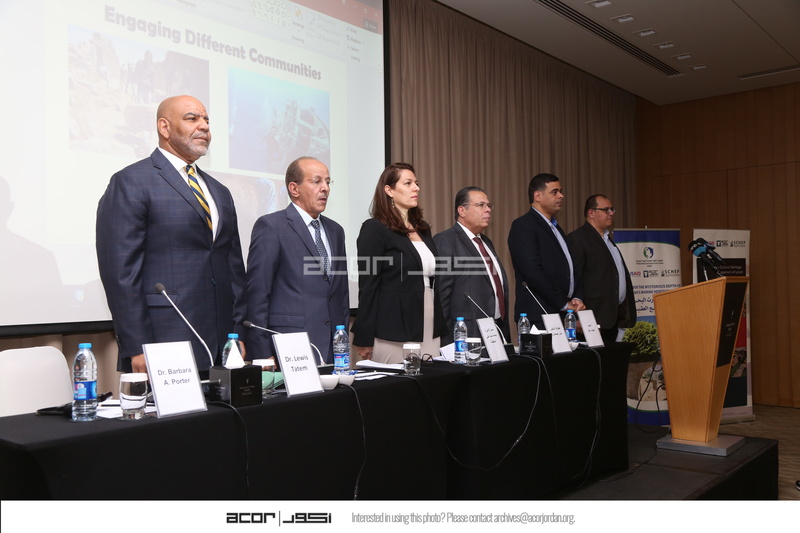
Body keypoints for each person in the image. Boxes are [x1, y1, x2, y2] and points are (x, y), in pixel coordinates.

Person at [96, 95, 247, 375]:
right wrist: (136, 344)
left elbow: (234, 269)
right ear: (164, 127)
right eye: (192, 118)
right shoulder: (131, 181)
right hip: (162, 339)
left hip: (223, 347)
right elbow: (120, 273)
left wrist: (237, 333)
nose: (204, 126)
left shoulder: (220, 191)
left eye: (206, 120)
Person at [246, 157, 349, 364]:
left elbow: (341, 293)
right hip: (289, 346)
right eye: (316, 181)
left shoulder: (335, 231)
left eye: (328, 182)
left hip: (333, 349)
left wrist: (342, 341)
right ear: (294, 189)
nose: (325, 188)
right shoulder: (271, 226)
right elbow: (257, 294)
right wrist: (262, 353)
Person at [351, 163, 445, 363]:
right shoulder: (374, 229)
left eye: (416, 183)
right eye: (408, 183)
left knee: (433, 378)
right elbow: (368, 286)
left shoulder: (423, 229)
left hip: (429, 320)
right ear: (389, 190)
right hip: (393, 326)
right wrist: (364, 335)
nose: (416, 188)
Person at [434, 186, 510, 344]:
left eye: (489, 205)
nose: (488, 210)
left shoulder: (486, 242)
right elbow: (442, 296)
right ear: (462, 210)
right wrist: (447, 342)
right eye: (481, 205)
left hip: (496, 330)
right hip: (465, 333)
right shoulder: (446, 241)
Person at [507, 173, 584, 329]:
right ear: (538, 196)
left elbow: (570, 267)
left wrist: (577, 296)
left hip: (563, 312)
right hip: (539, 315)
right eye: (554, 192)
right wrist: (563, 303)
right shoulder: (523, 226)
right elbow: (533, 272)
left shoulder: (556, 228)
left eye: (561, 191)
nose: (561, 196)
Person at [567, 194, 636, 343]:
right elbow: (573, 281)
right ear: (591, 213)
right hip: (590, 320)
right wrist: (575, 317)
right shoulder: (578, 239)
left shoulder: (607, 240)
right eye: (606, 210)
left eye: (612, 209)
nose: (611, 213)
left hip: (613, 318)